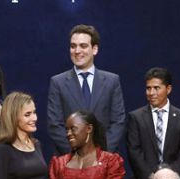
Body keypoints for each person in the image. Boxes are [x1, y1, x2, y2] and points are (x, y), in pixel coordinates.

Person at [47, 24, 126, 153]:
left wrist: (100, 154)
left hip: (104, 161)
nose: (77, 51)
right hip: (70, 161)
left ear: (94, 49)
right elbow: (55, 125)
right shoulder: (57, 82)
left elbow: (118, 122)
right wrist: (77, 154)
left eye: (83, 46)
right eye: (73, 46)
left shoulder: (112, 81)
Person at [126, 67, 180, 179]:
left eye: (157, 88)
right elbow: (134, 152)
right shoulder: (136, 117)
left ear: (168, 89)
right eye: (148, 88)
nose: (151, 93)